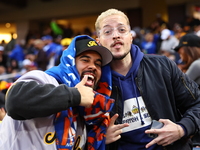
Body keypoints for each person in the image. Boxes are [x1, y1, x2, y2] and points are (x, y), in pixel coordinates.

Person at [94, 8, 200, 150]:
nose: (115, 36)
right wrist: (98, 138)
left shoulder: (162, 65)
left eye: (121, 30)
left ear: (130, 36)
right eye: (107, 32)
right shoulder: (94, 82)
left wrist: (182, 129)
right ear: (98, 41)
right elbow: (76, 132)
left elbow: (197, 104)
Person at [0, 35, 114, 150]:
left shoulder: (84, 113)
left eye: (98, 64)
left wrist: (100, 139)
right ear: (70, 62)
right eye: (85, 60)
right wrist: (74, 95)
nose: (93, 67)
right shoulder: (45, 79)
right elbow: (15, 101)